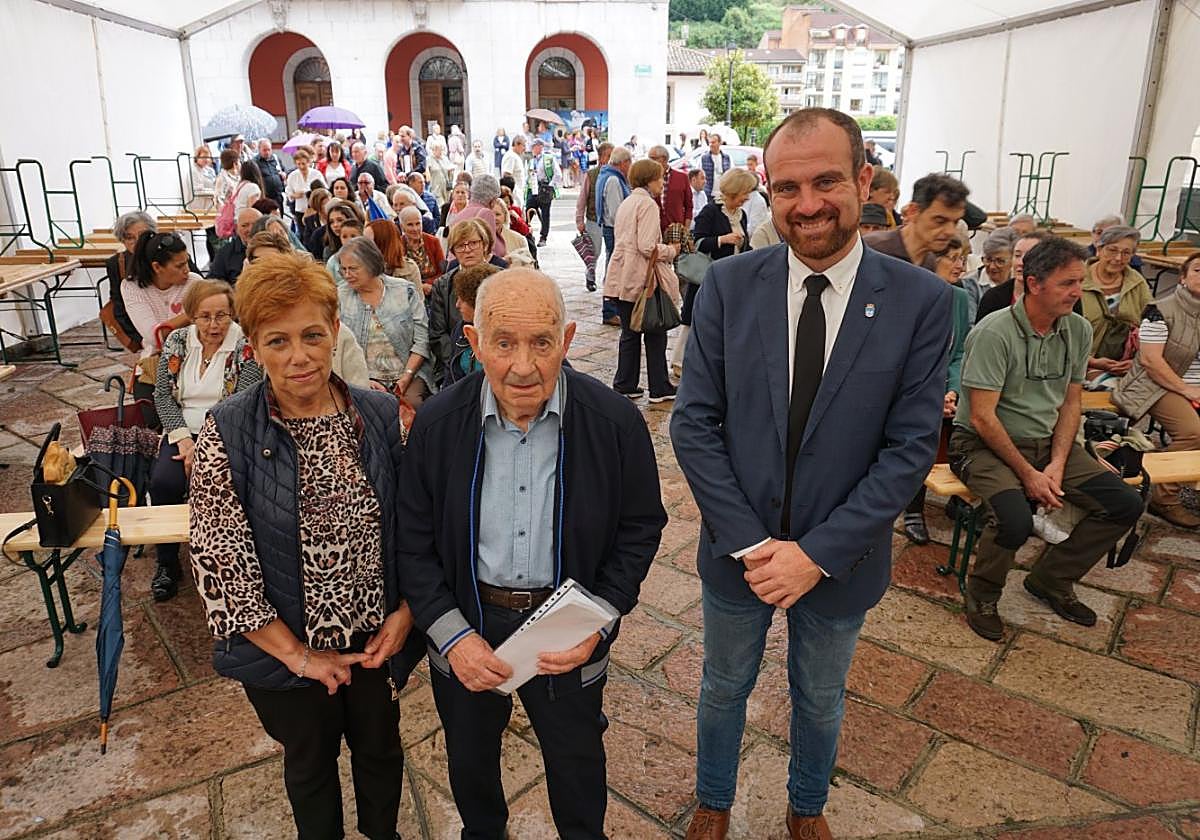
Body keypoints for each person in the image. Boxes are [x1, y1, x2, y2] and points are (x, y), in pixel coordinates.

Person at [671, 108, 953, 840]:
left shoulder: (922, 301)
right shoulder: (730, 287)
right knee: (722, 688)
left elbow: (909, 448)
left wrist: (817, 555)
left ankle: (807, 807)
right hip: (742, 553)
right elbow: (693, 424)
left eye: (827, 180)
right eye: (788, 187)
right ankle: (714, 801)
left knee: (821, 698)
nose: (808, 204)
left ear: (864, 180)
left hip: (843, 559)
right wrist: (754, 546)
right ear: (768, 191)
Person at [398, 267, 666, 840]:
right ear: (474, 342)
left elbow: (641, 528)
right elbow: (413, 543)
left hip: (566, 627)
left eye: (542, 343)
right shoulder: (438, 423)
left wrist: (599, 616)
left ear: (566, 341)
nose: (523, 366)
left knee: (577, 770)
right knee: (470, 768)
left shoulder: (614, 422)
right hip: (469, 622)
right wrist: (451, 635)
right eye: (504, 343)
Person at [188, 251, 423, 840]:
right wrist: (297, 656)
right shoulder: (229, 427)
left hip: (374, 643)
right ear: (254, 347)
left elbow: (415, 528)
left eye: (312, 335)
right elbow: (222, 563)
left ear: (335, 330)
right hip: (286, 652)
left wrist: (407, 613)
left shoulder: (374, 412)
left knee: (381, 752)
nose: (299, 357)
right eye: (277, 341)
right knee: (310, 764)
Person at [950, 237, 1145, 641]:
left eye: (1080, 281)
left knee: (1124, 504)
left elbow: (1072, 402)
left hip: (1046, 443)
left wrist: (1056, 463)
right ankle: (983, 595)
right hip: (982, 445)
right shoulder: (995, 332)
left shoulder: (1075, 328)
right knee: (1013, 518)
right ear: (1034, 283)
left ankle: (1051, 579)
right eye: (1068, 283)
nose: (1078, 292)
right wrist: (1029, 475)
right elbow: (983, 419)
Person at [150, 279, 259, 601]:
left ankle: (232, 560)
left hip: (228, 429)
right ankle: (168, 562)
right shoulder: (178, 340)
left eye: (222, 316)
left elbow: (241, 400)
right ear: (192, 316)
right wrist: (185, 441)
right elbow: (163, 395)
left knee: (226, 482)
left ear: (232, 314)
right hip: (182, 430)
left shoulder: (245, 345)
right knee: (163, 482)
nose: (213, 325)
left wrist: (206, 444)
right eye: (204, 316)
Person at [1113, 251, 1200, 527]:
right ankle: (1163, 495)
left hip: (1192, 386)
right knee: (1193, 432)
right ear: (1183, 277)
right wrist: (1188, 390)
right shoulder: (1160, 310)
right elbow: (1151, 362)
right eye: (1198, 270)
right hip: (1157, 385)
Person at [902, 236, 973, 544]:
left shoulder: (958, 297)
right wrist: (932, 395)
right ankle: (912, 508)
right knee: (918, 431)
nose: (960, 265)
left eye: (963, 258)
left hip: (944, 388)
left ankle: (960, 499)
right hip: (912, 388)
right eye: (953, 258)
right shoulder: (909, 294)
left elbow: (958, 353)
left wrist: (953, 389)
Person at [605, 159, 683, 403]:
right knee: (655, 332)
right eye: (660, 178)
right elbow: (647, 246)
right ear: (650, 179)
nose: (663, 182)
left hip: (622, 275)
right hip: (642, 279)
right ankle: (659, 387)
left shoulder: (628, 202)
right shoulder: (648, 205)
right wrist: (672, 250)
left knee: (629, 333)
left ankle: (625, 383)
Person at [336, 236, 435, 407]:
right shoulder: (340, 296)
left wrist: (406, 377)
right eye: (343, 269)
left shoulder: (404, 291)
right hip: (362, 377)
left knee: (413, 408)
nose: (347, 275)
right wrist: (363, 380)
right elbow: (337, 345)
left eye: (353, 269)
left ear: (371, 266)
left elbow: (422, 338)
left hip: (408, 372)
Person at [685, 168, 758, 332]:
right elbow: (697, 242)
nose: (747, 198)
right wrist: (722, 239)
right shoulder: (711, 211)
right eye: (745, 193)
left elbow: (743, 248)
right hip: (708, 279)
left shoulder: (741, 215)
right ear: (734, 191)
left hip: (732, 280)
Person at [429, 219, 499, 383]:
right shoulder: (443, 285)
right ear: (453, 250)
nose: (467, 250)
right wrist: (457, 362)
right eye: (460, 246)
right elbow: (437, 335)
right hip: (455, 365)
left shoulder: (502, 278)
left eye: (473, 243)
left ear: (485, 245)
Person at [1082, 225, 1151, 383]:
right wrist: (1091, 361)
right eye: (1112, 250)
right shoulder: (1078, 280)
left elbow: (1152, 323)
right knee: (1117, 392)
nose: (1118, 258)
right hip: (1081, 362)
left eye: (1126, 253)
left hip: (1127, 362)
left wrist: (1137, 361)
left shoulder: (1137, 282)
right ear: (1099, 249)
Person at [863, 172, 968, 268]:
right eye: (940, 221)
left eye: (955, 222)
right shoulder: (873, 248)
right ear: (913, 211)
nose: (950, 231)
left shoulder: (929, 262)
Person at [103, 210, 156, 351]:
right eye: (129, 237)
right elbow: (118, 304)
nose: (137, 242)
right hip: (142, 330)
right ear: (122, 240)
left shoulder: (167, 254)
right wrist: (140, 340)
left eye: (142, 236)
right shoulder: (116, 263)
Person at [976, 230, 1050, 324]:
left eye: (1030, 256)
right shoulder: (993, 298)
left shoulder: (1061, 297)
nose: (1021, 263)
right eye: (1017, 255)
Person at [443, 262, 498, 386]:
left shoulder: (502, 336)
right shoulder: (460, 330)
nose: (457, 305)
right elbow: (450, 374)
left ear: (477, 303)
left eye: (462, 300)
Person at [597, 147, 632, 325]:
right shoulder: (613, 180)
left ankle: (612, 309)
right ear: (623, 163)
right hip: (614, 230)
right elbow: (616, 212)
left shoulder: (608, 176)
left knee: (613, 268)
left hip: (612, 229)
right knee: (613, 270)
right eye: (629, 163)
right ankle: (609, 311)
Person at [576, 141, 614, 293]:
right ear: (601, 158)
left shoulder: (617, 175)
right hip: (593, 219)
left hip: (611, 221)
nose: (611, 159)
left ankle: (609, 280)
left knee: (611, 252)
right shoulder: (591, 175)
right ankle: (590, 275)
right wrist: (579, 220)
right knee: (595, 251)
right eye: (608, 156)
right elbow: (582, 199)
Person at [963, 228, 1018, 323]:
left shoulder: (1019, 283)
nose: (992, 266)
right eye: (988, 259)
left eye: (1000, 261)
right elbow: (971, 324)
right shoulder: (970, 283)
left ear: (1013, 260)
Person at [398, 205, 446, 293]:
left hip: (433, 290)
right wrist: (418, 286)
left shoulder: (433, 241)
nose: (415, 229)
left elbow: (442, 272)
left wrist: (429, 284)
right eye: (410, 225)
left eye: (418, 223)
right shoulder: (397, 245)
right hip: (407, 292)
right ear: (402, 226)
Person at [209, 207, 262, 282]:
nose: (250, 229)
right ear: (237, 229)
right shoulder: (225, 253)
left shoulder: (273, 249)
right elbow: (212, 284)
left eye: (255, 225)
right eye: (244, 225)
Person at [526, 138, 562, 247]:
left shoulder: (549, 158)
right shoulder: (532, 160)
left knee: (545, 214)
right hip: (533, 188)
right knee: (529, 209)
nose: (532, 149)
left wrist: (550, 186)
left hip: (545, 188)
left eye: (534, 147)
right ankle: (525, 232)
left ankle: (543, 237)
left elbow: (558, 174)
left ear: (539, 147)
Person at [648, 145, 692, 231]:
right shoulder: (648, 179)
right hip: (654, 229)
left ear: (664, 159)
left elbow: (689, 206)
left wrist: (686, 229)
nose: (650, 162)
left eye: (653, 158)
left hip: (676, 230)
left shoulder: (682, 177)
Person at [366, 218, 422, 285]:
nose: (363, 246)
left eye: (368, 242)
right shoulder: (361, 270)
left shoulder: (410, 269)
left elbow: (417, 295)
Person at [491, 198, 534, 266]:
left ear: (505, 216)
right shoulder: (479, 240)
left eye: (498, 214)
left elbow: (528, 267)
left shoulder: (519, 240)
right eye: (490, 214)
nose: (494, 218)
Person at [286, 146, 325, 218]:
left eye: (303, 163)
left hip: (315, 209)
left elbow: (324, 190)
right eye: (298, 164)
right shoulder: (292, 175)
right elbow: (288, 192)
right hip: (300, 209)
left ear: (309, 162)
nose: (301, 166)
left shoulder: (316, 174)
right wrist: (294, 195)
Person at [254, 139, 285, 206]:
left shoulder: (275, 159)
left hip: (278, 195)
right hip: (266, 197)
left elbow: (283, 170)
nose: (267, 152)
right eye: (264, 150)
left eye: (269, 150)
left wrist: (283, 174)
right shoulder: (255, 162)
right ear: (259, 150)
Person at [500, 135, 527, 210]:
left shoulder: (515, 156)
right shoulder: (511, 156)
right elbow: (507, 174)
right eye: (523, 146)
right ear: (517, 144)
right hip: (514, 192)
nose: (524, 149)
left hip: (518, 190)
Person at [188, 145, 217, 211]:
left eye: (208, 157)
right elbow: (197, 191)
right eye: (203, 157)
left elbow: (215, 185)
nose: (206, 159)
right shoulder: (193, 171)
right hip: (198, 207)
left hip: (211, 205)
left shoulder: (210, 170)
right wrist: (213, 193)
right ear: (197, 157)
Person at [301, 187, 331, 251]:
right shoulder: (309, 221)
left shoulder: (335, 218)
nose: (327, 206)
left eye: (329, 202)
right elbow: (307, 243)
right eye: (324, 204)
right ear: (317, 205)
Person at [700, 134, 729, 198]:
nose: (711, 144)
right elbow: (698, 174)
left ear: (719, 143)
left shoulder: (726, 158)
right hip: (708, 193)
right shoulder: (704, 158)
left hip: (723, 194)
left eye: (713, 142)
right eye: (710, 142)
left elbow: (731, 174)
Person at [426, 138, 453, 206]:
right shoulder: (429, 159)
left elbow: (450, 170)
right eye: (438, 149)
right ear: (433, 150)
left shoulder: (445, 159)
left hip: (446, 186)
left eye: (441, 149)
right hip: (436, 186)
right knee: (440, 204)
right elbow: (427, 172)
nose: (440, 151)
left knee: (447, 204)